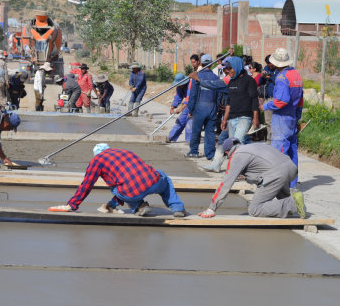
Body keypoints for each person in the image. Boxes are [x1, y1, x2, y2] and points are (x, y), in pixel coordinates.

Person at [48, 144, 186, 217]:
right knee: (165, 179)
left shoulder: (97, 160)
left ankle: (137, 206)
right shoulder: (124, 151)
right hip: (154, 181)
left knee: (118, 186)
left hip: (131, 192)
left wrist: (72, 205)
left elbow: (87, 185)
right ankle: (177, 208)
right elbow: (141, 168)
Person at [198, 138, 306, 219]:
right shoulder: (253, 146)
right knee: (280, 196)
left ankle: (293, 204)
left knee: (255, 209)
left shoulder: (237, 155)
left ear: (227, 152)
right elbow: (262, 167)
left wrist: (212, 207)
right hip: (290, 168)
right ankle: (293, 202)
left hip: (276, 174)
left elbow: (226, 183)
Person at [262, 48, 303, 190]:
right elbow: (300, 99)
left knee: (279, 153)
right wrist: (298, 115)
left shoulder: (281, 77)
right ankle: (292, 184)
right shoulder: (296, 74)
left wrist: (266, 105)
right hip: (292, 116)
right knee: (292, 152)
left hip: (281, 117)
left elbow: (281, 101)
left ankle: (280, 186)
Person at [185, 54, 219, 159]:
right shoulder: (216, 77)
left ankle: (194, 151)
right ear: (211, 64)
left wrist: (190, 108)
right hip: (212, 107)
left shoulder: (197, 76)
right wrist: (216, 108)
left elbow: (193, 94)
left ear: (201, 63)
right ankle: (210, 154)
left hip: (200, 107)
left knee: (196, 130)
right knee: (210, 132)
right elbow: (218, 96)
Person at [166, 73, 192, 143]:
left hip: (196, 103)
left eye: (180, 84)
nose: (179, 86)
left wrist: (181, 108)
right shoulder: (180, 87)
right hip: (188, 104)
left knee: (190, 121)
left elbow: (190, 97)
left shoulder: (191, 84)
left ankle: (189, 140)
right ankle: (171, 137)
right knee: (181, 120)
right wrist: (173, 107)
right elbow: (178, 97)